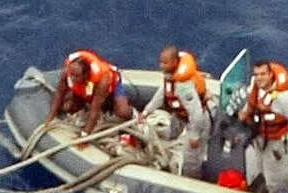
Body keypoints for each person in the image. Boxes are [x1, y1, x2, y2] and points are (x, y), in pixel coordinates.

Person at [237, 59, 288, 193]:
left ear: (271, 74)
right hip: (259, 138)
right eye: (256, 74)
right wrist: (245, 112)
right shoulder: (256, 87)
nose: (259, 78)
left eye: (263, 74)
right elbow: (251, 103)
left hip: (276, 143)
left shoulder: (284, 99)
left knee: (275, 179)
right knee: (262, 169)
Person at [136, 45, 212, 178]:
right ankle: (166, 151)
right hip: (179, 116)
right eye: (161, 62)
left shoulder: (184, 86)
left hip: (196, 122)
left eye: (165, 63)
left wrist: (194, 135)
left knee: (191, 158)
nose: (161, 66)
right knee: (170, 134)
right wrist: (147, 111)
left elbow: (197, 113)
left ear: (175, 63)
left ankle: (191, 180)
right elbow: (161, 95)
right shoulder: (169, 77)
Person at [44, 49, 134, 137]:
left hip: (111, 90)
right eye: (71, 75)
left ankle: (134, 114)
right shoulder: (68, 73)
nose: (72, 79)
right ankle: (82, 104)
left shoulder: (103, 80)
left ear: (86, 74)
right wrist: (51, 117)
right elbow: (59, 94)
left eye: (77, 76)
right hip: (84, 92)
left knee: (123, 112)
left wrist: (85, 134)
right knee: (68, 107)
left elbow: (95, 109)